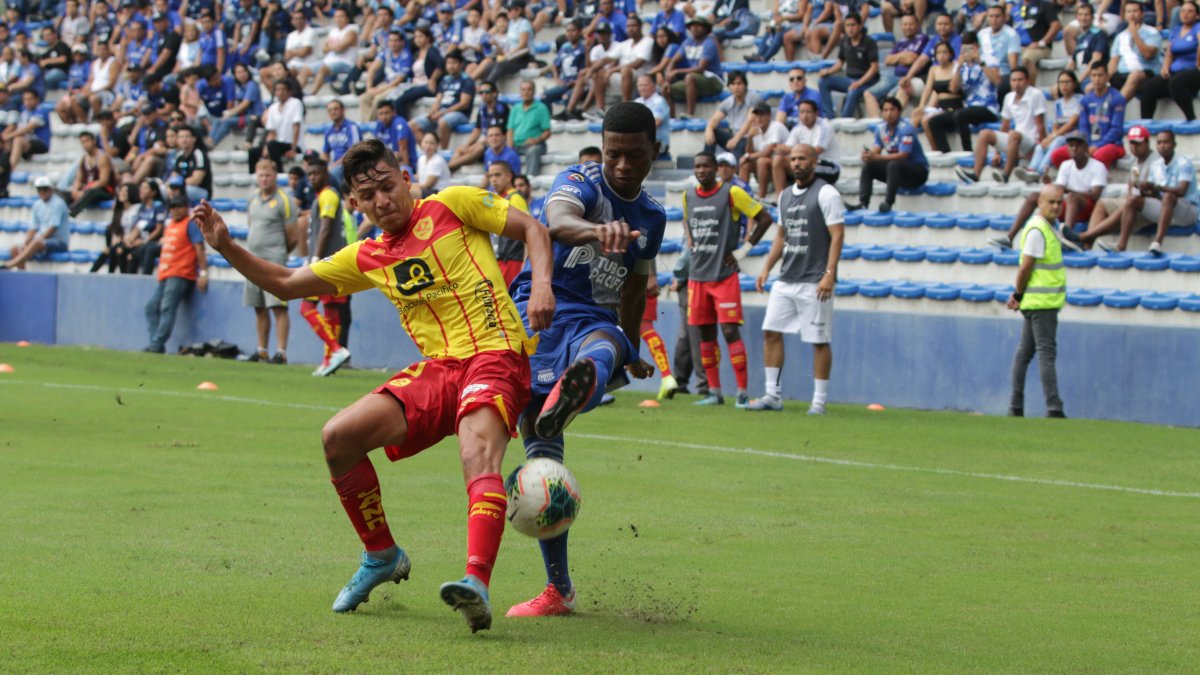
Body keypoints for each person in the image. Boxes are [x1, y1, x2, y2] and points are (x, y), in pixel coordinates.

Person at [190, 136, 556, 632]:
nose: (382, 200)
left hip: (496, 354)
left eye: (387, 187)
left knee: (476, 454)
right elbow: (285, 283)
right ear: (355, 203)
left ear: (406, 179)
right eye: (368, 195)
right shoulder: (366, 256)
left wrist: (541, 285)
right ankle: (381, 554)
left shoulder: (452, 204)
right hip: (439, 370)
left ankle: (476, 583)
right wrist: (226, 246)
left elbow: (533, 227)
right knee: (338, 438)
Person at [503, 102, 664, 618]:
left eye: (634, 155)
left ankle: (574, 390)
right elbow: (558, 221)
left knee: (604, 344)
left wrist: (633, 348)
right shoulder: (580, 181)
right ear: (603, 148)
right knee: (543, 465)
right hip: (541, 311)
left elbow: (634, 288)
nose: (622, 165)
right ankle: (560, 590)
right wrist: (597, 231)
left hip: (595, 321)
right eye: (614, 154)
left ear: (655, 151)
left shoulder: (653, 217)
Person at [745, 145, 845, 414]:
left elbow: (837, 235)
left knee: (819, 340)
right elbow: (781, 235)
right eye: (793, 159)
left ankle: (819, 401)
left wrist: (829, 275)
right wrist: (766, 268)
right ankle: (772, 395)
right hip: (787, 278)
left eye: (802, 158)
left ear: (814, 161)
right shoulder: (785, 195)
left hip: (815, 279)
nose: (797, 163)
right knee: (770, 331)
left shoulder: (827, 193)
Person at [683, 152, 774, 407]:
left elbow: (765, 218)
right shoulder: (688, 195)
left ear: (715, 169)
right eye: (697, 166)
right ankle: (715, 392)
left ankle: (742, 392)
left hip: (723, 276)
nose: (701, 170)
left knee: (729, 331)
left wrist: (743, 251)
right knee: (705, 334)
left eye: (706, 166)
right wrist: (690, 238)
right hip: (697, 276)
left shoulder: (732, 193)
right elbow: (687, 220)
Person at [1006, 184, 1067, 419]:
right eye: (1051, 202)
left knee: (1025, 352)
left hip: (1038, 300)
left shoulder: (1045, 227)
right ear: (1039, 202)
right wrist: (1018, 294)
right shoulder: (1038, 230)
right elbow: (1025, 268)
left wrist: (1020, 295)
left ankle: (1016, 405)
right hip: (1042, 302)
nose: (1056, 206)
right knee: (1046, 353)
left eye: (1059, 202)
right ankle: (1054, 406)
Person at [990, 132, 1103, 250]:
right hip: (1069, 206)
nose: (1074, 148)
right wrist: (1049, 184)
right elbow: (1059, 190)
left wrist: (1068, 190)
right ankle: (1009, 238)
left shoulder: (1097, 166)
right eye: (1071, 145)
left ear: (1086, 147)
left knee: (1072, 197)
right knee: (1035, 196)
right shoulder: (1066, 165)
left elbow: (1095, 195)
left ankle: (1067, 238)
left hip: (1087, 209)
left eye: (1078, 145)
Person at [301, 158, 356, 377]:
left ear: (326, 174)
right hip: (333, 263)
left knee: (306, 307)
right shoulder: (325, 196)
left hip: (325, 264)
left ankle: (335, 349)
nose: (312, 177)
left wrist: (315, 259)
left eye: (316, 173)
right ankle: (329, 360)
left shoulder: (328, 196)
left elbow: (325, 228)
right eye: (309, 174)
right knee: (331, 312)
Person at [244, 158, 298, 364]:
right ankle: (262, 350)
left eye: (268, 175)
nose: (264, 179)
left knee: (278, 306)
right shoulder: (252, 198)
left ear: (275, 176)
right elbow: (251, 224)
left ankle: (281, 352)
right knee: (258, 306)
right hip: (252, 259)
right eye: (261, 175)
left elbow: (293, 236)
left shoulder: (284, 200)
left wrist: (279, 253)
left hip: (274, 259)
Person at [1111, 130, 1198, 254]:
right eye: (1159, 143)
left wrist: (1156, 187)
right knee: (1132, 200)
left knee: (1168, 197)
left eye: (1166, 142)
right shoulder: (1156, 165)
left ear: (1174, 144)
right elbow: (1155, 194)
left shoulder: (1184, 163)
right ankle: (1121, 245)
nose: (1162, 146)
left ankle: (1157, 243)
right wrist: (1143, 189)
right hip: (1165, 208)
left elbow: (1181, 191)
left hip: (1187, 212)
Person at [143, 194, 209, 353]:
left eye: (178, 206)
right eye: (172, 207)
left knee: (167, 307)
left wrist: (203, 272)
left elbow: (199, 248)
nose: (174, 210)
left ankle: (156, 345)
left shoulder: (190, 224)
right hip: (166, 273)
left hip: (181, 273)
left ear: (186, 208)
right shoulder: (171, 225)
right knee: (150, 307)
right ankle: (155, 343)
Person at [956, 68, 1046, 184]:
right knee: (984, 134)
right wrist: (997, 153)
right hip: (1016, 139)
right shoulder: (1009, 97)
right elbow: (1004, 126)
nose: (1017, 83)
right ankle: (976, 174)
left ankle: (1005, 175)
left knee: (1013, 134)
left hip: (1031, 142)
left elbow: (1040, 124)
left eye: (1020, 80)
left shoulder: (1036, 94)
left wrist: (1041, 148)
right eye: (1014, 80)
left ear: (1027, 81)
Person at [1079, 125, 1158, 250]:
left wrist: (1137, 193)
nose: (1134, 147)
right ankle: (1086, 247)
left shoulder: (1156, 161)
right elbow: (1131, 187)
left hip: (1149, 208)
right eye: (1132, 143)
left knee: (1128, 204)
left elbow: (1154, 192)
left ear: (1147, 142)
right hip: (1134, 204)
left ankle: (1083, 237)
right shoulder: (1136, 160)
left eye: (1138, 143)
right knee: (1102, 203)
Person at [853, 97, 929, 213]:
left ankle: (888, 203)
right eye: (885, 110)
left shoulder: (907, 128)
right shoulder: (881, 129)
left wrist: (876, 157)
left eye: (892, 110)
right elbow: (876, 151)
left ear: (899, 111)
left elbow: (903, 155)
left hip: (917, 172)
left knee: (893, 165)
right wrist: (868, 156)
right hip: (897, 172)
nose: (889, 114)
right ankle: (863, 203)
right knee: (869, 167)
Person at [1047, 62, 1125, 169]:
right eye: (1094, 75)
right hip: (1089, 143)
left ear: (1107, 77)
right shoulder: (1086, 99)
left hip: (1112, 144)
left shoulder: (1117, 98)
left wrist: (1097, 145)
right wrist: (1086, 145)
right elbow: (1083, 126)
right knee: (1057, 155)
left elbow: (1116, 130)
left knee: (1097, 157)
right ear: (1090, 77)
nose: (1097, 79)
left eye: (1100, 75)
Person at [1138, 1, 1200, 121]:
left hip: (1193, 71)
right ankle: (1145, 123)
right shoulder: (1176, 30)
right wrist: (1165, 67)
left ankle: (1191, 119)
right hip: (1176, 72)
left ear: (1197, 15)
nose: (1185, 14)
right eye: (1183, 11)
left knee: (1177, 82)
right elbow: (1169, 54)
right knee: (1147, 87)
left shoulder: (1198, 28)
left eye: (1190, 11)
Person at [1016, 70, 1082, 183]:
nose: (1064, 85)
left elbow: (1071, 123)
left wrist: (1053, 136)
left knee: (1057, 141)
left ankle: (1040, 171)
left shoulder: (1079, 99)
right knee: (1040, 146)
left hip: (1074, 136)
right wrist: (1051, 137)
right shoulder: (1058, 103)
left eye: (1067, 82)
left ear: (1074, 84)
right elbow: (1055, 125)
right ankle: (1032, 169)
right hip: (1060, 135)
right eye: (1061, 82)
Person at [815, 12, 878, 120]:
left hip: (867, 82)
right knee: (823, 81)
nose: (850, 29)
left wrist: (859, 82)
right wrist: (828, 71)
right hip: (850, 80)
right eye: (847, 25)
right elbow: (840, 63)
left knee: (852, 91)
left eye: (853, 25)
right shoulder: (845, 41)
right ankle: (829, 116)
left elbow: (874, 68)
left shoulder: (869, 42)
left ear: (860, 26)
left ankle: (844, 120)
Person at [864, 15, 929, 117]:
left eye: (911, 24)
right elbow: (887, 60)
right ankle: (876, 121)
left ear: (917, 25)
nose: (908, 27)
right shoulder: (900, 42)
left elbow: (912, 59)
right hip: (894, 77)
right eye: (905, 24)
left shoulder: (923, 39)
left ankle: (892, 120)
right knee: (868, 93)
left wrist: (897, 57)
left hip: (913, 78)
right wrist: (903, 56)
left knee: (891, 97)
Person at [411, 50, 475, 151]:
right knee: (413, 125)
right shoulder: (445, 79)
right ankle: (430, 151)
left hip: (460, 114)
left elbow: (464, 104)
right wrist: (433, 111)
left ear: (461, 64)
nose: (451, 66)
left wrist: (442, 113)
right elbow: (438, 100)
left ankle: (443, 152)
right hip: (442, 112)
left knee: (443, 122)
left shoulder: (467, 80)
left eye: (454, 63)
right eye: (449, 63)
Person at [1, 176, 70, 271]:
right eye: (39, 189)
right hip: (44, 241)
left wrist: (35, 240)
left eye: (45, 189)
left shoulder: (58, 203)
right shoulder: (37, 205)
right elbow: (33, 228)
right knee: (15, 249)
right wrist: (26, 243)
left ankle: (9, 265)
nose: (42, 192)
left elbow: (53, 228)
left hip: (59, 242)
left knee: (36, 242)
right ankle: (22, 273)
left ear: (51, 189)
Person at [664, 16, 724, 118]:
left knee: (690, 77)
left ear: (705, 28)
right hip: (694, 82)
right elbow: (673, 61)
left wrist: (677, 71)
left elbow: (700, 68)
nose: (694, 28)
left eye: (698, 25)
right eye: (692, 26)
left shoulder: (709, 43)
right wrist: (668, 79)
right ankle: (671, 118)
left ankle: (690, 114)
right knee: (666, 89)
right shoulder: (688, 42)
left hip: (713, 80)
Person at [775, 99, 840, 190]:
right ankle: (780, 196)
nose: (805, 116)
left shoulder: (824, 126)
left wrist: (791, 150)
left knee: (790, 161)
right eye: (802, 112)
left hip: (829, 167)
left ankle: (797, 193)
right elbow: (786, 147)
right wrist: (783, 149)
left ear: (816, 113)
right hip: (811, 163)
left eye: (808, 112)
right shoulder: (799, 127)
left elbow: (815, 152)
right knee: (772, 160)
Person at [1107, 1, 1163, 103]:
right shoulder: (1120, 36)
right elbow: (1114, 61)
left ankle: (1116, 107)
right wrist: (1105, 80)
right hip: (1123, 74)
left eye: (1135, 11)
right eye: (1128, 11)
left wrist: (1134, 34)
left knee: (1135, 75)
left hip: (1145, 73)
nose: (1132, 14)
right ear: (1125, 15)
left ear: (1142, 14)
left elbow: (1148, 55)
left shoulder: (1152, 32)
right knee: (1091, 85)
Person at [449, 82, 510, 172]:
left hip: (496, 143)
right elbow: (477, 129)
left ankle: (449, 167)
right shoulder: (482, 108)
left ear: (494, 93)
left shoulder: (502, 108)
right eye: (481, 92)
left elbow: (502, 132)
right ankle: (450, 170)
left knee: (479, 148)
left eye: (487, 92)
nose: (484, 95)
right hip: (484, 142)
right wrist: (467, 145)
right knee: (460, 150)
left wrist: (479, 143)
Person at [733, 102, 790, 198]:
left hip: (784, 163)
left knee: (761, 161)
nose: (759, 118)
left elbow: (768, 152)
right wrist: (750, 138)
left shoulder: (776, 126)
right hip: (770, 164)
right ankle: (742, 197)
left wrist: (748, 156)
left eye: (762, 115)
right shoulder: (756, 130)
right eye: (757, 115)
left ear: (769, 116)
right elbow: (749, 152)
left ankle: (761, 196)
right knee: (746, 164)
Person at [487, 159, 528, 285]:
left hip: (513, 261)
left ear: (509, 176)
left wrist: (525, 262)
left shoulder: (515, 198)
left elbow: (527, 230)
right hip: (498, 260)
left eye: (497, 175)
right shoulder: (494, 198)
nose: (493, 180)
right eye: (491, 176)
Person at [250, 79, 304, 172]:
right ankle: (255, 176)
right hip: (277, 144)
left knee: (272, 146)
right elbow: (272, 132)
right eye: (278, 89)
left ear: (290, 92)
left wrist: (293, 149)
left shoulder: (295, 103)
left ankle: (279, 172)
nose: (281, 92)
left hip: (292, 144)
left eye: (283, 89)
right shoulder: (272, 108)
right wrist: (266, 147)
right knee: (253, 152)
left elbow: (296, 127)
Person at [65, 131, 117, 217]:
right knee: (63, 194)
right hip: (87, 191)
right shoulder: (83, 159)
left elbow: (103, 181)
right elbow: (78, 179)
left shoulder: (102, 157)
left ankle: (72, 211)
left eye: (87, 141)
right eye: (83, 142)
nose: (85, 144)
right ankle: (62, 211)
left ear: (94, 141)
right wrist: (75, 190)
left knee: (91, 192)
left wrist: (84, 191)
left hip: (104, 191)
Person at [976, 4, 1021, 103]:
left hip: (1003, 74)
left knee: (1002, 85)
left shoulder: (1011, 34)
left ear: (1004, 17)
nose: (994, 20)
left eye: (997, 16)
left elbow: (1013, 65)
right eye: (991, 16)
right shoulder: (981, 34)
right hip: (984, 73)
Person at [1011, 0, 1062, 86]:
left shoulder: (1044, 5)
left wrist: (1042, 43)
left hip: (1040, 48)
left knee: (1026, 59)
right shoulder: (1016, 8)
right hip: (1019, 47)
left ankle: (1029, 89)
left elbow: (1056, 25)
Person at [507, 80, 551, 178]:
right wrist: (509, 148)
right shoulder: (515, 108)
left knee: (533, 150)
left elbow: (547, 132)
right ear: (520, 92)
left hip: (535, 145)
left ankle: (530, 178)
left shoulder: (541, 108)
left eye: (529, 89)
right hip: (517, 145)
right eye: (523, 90)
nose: (526, 92)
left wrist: (536, 140)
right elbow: (510, 130)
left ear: (534, 91)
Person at [322, 100, 362, 190]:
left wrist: (334, 165)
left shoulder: (352, 127)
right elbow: (325, 152)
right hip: (336, 165)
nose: (333, 112)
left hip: (350, 163)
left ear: (343, 110)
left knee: (333, 172)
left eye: (336, 109)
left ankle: (341, 195)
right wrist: (322, 166)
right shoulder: (329, 130)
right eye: (330, 110)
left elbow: (354, 151)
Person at [171, 125, 212, 203]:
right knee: (164, 189)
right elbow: (174, 176)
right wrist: (170, 185)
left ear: (194, 139)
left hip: (200, 190)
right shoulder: (179, 156)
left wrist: (179, 185)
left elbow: (197, 180)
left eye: (187, 136)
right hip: (182, 186)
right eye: (181, 137)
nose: (184, 140)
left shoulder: (199, 154)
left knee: (187, 189)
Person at [634, 74, 672, 158]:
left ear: (654, 86)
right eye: (640, 85)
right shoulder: (637, 102)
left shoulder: (659, 101)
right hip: (641, 144)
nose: (643, 88)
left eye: (645, 85)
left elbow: (654, 123)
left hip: (658, 146)